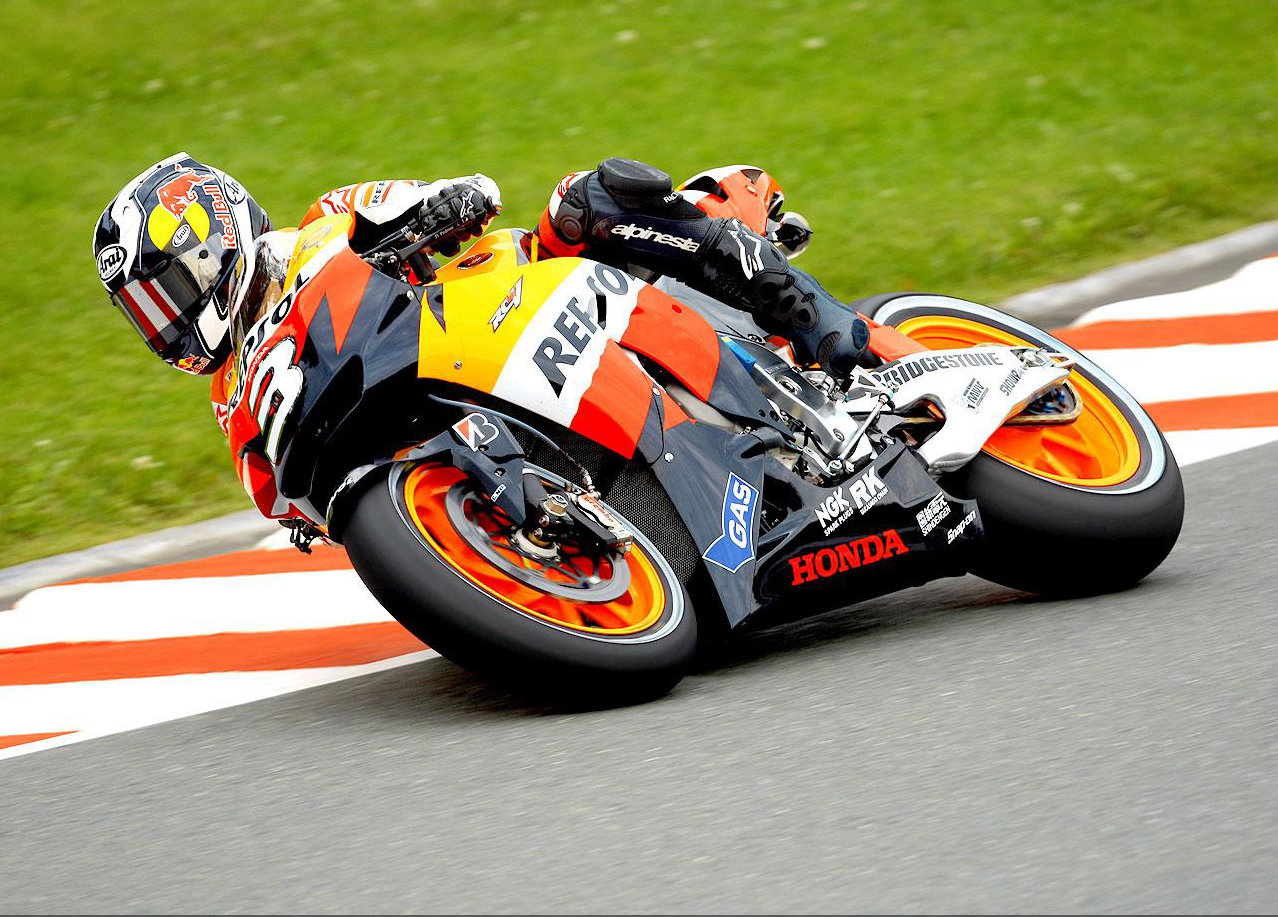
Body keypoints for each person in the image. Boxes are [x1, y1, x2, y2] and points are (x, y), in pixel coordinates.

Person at [92, 152, 870, 426]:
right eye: (144, 312)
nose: (165, 321)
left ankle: (811, 313)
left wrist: (439, 212)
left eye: (165, 291)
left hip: (503, 301)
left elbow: (462, 195)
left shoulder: (325, 224)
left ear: (212, 240)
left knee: (581, 201)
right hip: (446, 394)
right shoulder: (235, 394)